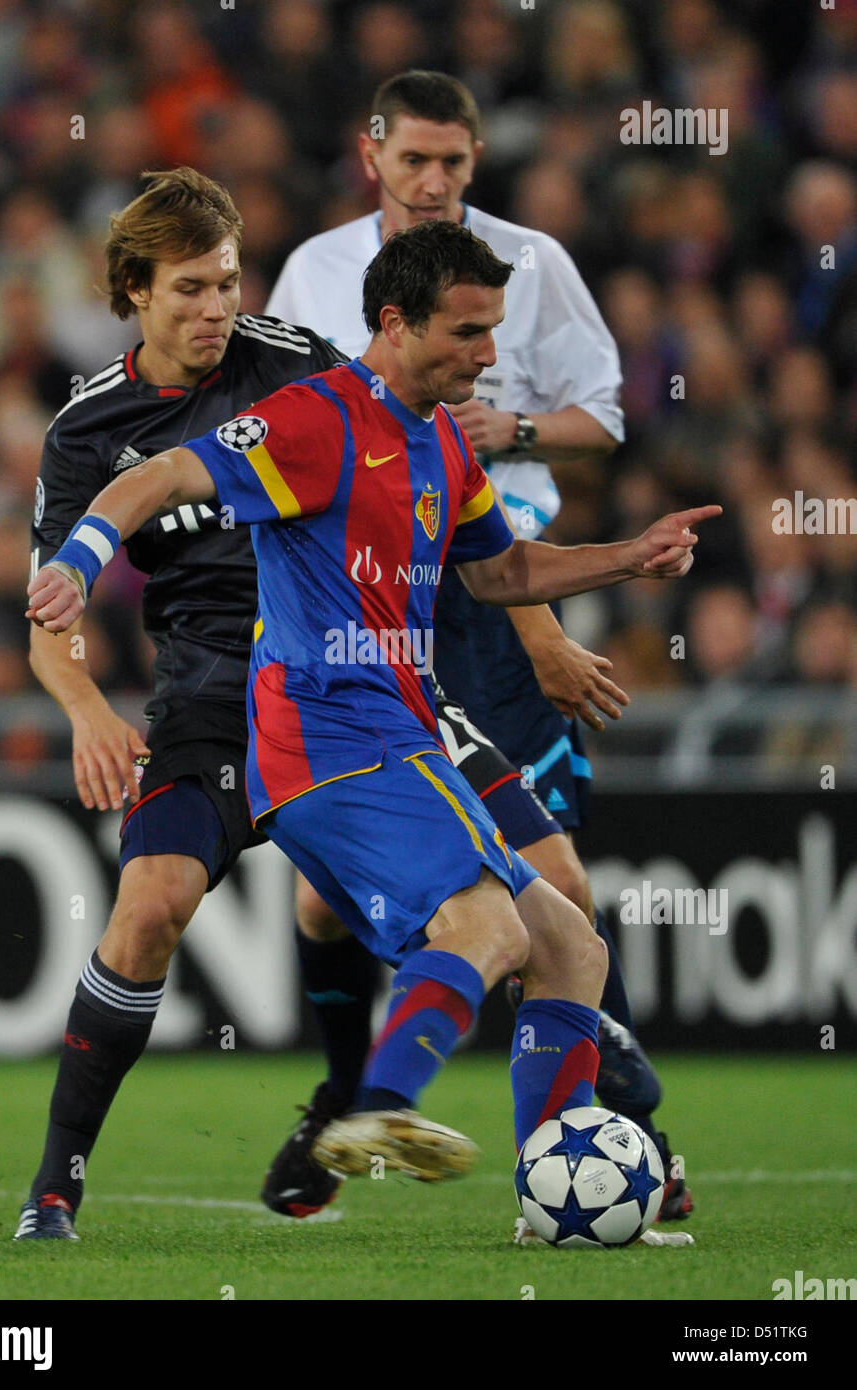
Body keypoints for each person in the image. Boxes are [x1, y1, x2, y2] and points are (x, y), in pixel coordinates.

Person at [28, 219, 720, 1203]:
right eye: (468, 332)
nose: (488, 355)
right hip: (322, 738)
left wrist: (627, 554)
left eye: (493, 331)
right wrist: (83, 562)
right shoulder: (316, 419)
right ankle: (371, 1101)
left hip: (406, 724)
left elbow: (501, 569)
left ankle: (555, 1191)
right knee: (484, 925)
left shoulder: (439, 435)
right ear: (395, 324)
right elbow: (161, 473)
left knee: (570, 941)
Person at [264, 69, 692, 1226]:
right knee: (330, 905)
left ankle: (607, 1135)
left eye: (455, 162)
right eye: (416, 161)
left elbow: (603, 418)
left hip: (500, 597)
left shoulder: (530, 263)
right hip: (370, 611)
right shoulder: (312, 272)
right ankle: (351, 1095)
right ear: (373, 156)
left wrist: (511, 432)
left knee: (551, 891)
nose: (437, 182)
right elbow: (295, 457)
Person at [14, 166, 345, 1240]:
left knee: (433, 902)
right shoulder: (86, 429)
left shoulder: (294, 364)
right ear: (133, 292)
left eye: (226, 284)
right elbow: (51, 610)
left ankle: (352, 1109)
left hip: (335, 678)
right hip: (206, 690)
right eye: (190, 290)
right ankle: (55, 1185)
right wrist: (86, 706)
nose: (216, 310)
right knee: (149, 905)